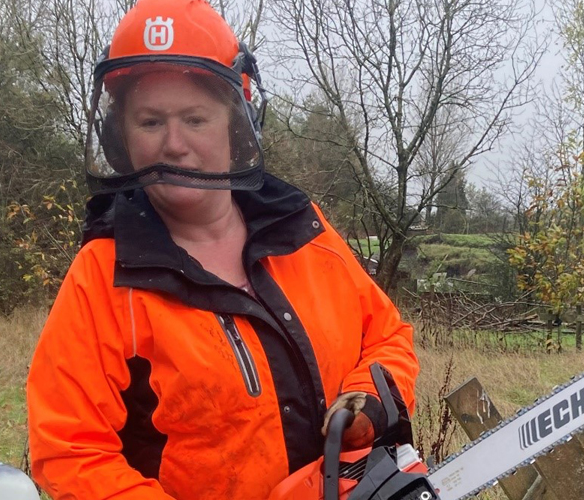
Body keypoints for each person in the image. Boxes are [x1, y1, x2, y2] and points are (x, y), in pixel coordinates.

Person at [25, 1, 419, 498]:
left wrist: (368, 398)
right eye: (149, 122)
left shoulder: (302, 229)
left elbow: (387, 335)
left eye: (195, 118)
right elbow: (70, 450)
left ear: (236, 126)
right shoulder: (104, 277)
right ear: (119, 138)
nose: (173, 144)